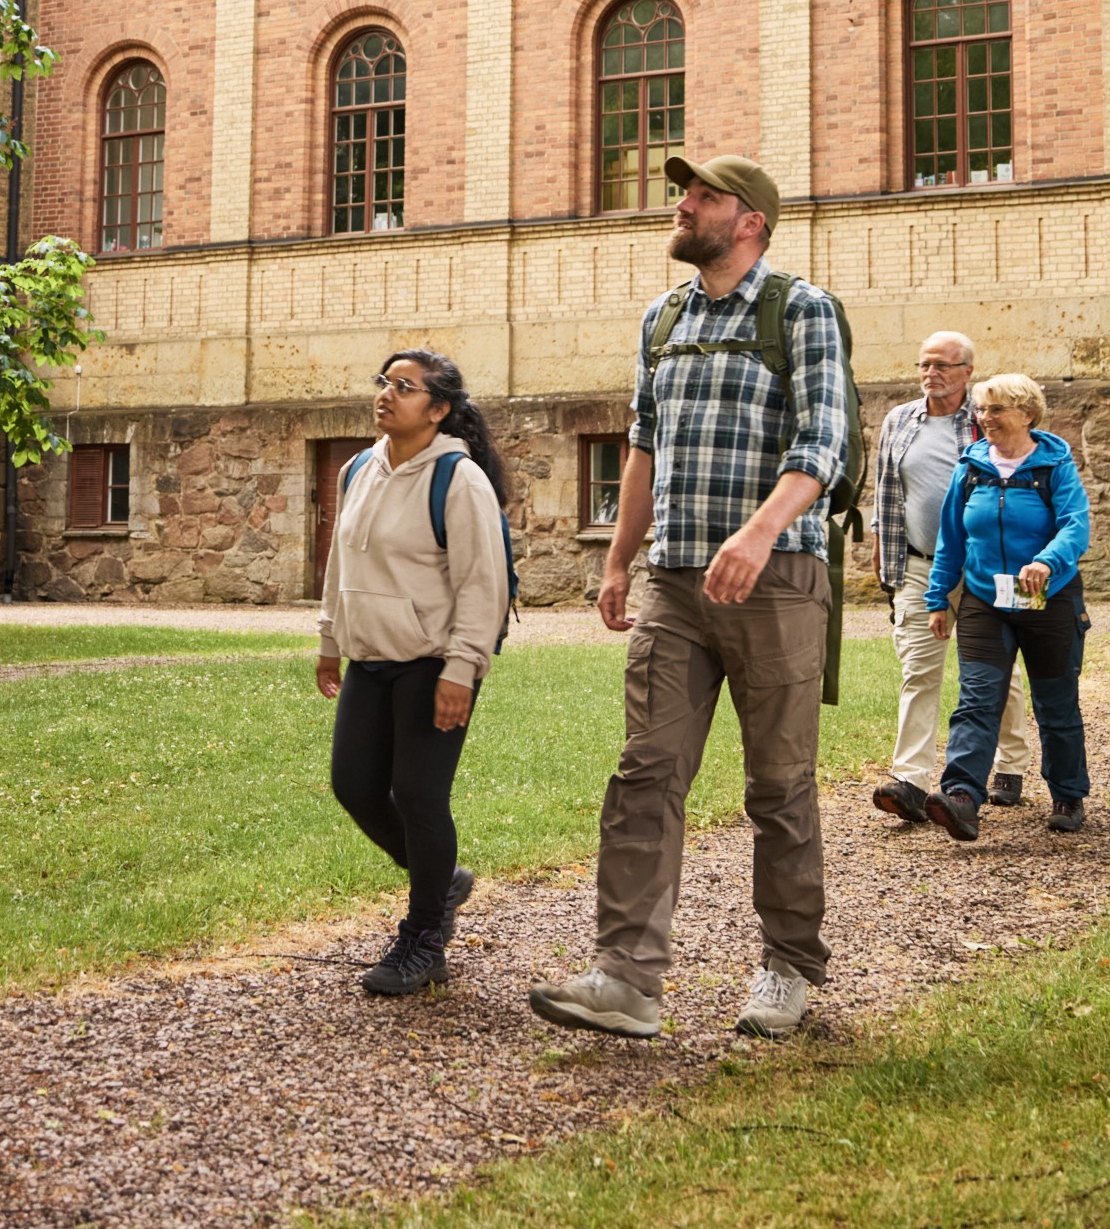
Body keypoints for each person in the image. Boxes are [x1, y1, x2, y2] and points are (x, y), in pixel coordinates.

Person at [527, 154, 850, 1042]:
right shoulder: (662, 318)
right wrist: (619, 557)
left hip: (776, 578)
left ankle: (788, 966)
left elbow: (825, 444)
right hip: (675, 581)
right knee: (645, 774)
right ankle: (625, 978)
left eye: (702, 194)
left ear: (748, 219)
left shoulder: (801, 310)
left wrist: (758, 534)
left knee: (779, 784)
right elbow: (642, 444)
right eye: (686, 192)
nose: (683, 204)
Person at [315, 346, 512, 996]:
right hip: (371, 659)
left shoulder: (457, 478)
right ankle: (444, 878)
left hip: (434, 661)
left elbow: (484, 584)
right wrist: (330, 638)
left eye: (405, 385)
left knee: (422, 795)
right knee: (354, 785)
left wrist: (463, 668)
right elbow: (341, 564)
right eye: (385, 381)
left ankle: (425, 937)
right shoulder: (356, 470)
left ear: (439, 408)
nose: (387, 393)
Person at [868, 331, 1039, 827]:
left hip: (988, 568)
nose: (931, 373)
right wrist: (881, 545)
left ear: (968, 371)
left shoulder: (988, 419)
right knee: (918, 670)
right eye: (925, 364)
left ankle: (1009, 764)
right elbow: (886, 490)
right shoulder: (900, 420)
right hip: (921, 564)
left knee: (996, 670)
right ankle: (911, 781)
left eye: (943, 365)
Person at [923, 371, 1094, 840]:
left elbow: (1076, 526)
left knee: (1055, 703)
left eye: (996, 409)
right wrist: (939, 597)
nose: (985, 418)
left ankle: (1067, 794)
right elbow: (952, 538)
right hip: (985, 599)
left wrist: (1047, 561)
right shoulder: (971, 466)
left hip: (1049, 599)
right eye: (981, 409)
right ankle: (961, 798)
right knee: (977, 699)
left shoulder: (1054, 464)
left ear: (1026, 414)